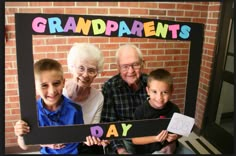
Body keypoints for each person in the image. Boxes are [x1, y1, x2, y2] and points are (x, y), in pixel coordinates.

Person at [14, 58, 84, 154]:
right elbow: (24, 146)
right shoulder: (32, 111)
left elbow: (81, 138)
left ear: (63, 82)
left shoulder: (75, 109)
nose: (52, 91)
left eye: (56, 83)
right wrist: (21, 135)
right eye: (44, 85)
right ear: (35, 87)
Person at [132, 68, 194, 154]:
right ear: (148, 91)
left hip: (171, 148)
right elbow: (135, 140)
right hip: (149, 151)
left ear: (171, 92)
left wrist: (176, 136)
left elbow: (181, 131)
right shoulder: (140, 111)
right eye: (154, 92)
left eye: (164, 92)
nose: (159, 98)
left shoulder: (174, 109)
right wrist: (155, 138)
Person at [101, 44, 148, 154]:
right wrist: (121, 150)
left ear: (142, 64)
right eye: (125, 66)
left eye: (135, 64)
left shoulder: (152, 83)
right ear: (118, 67)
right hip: (123, 138)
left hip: (149, 136)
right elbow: (108, 123)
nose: (131, 71)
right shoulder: (110, 87)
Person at [63, 43, 107, 154]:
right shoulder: (58, 92)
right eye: (81, 68)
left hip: (86, 144)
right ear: (71, 68)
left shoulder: (98, 97)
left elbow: (93, 128)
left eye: (91, 70)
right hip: (63, 143)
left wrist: (94, 137)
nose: (86, 74)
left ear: (96, 74)